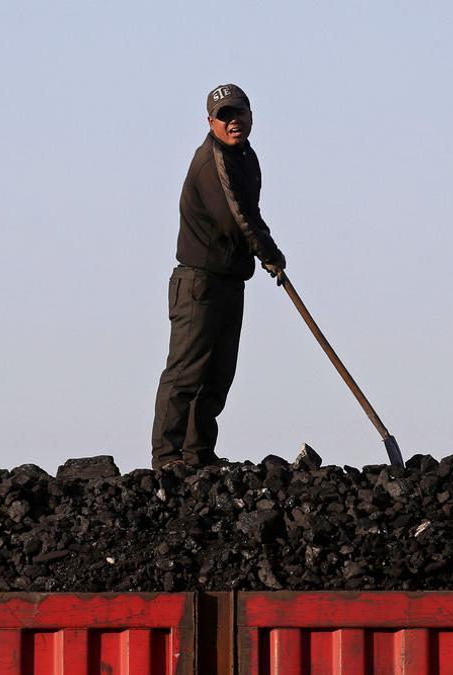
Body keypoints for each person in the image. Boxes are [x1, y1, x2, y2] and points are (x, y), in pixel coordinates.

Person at [150, 83, 286, 470]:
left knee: (219, 373)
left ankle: (198, 454)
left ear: (250, 115)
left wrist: (268, 252)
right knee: (186, 372)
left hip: (228, 280)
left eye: (238, 114)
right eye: (224, 117)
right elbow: (235, 219)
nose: (233, 122)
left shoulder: (246, 157)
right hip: (198, 283)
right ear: (210, 122)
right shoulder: (213, 163)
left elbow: (251, 212)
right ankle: (168, 457)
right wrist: (269, 253)